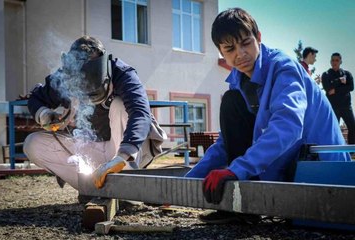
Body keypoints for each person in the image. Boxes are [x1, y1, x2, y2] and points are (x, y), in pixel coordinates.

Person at [185, 8, 350, 223]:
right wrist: (186, 183)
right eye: (230, 48)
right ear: (221, 52)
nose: (240, 54)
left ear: (259, 38)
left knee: (233, 104)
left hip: (317, 166)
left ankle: (246, 205)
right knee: (231, 103)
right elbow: (228, 141)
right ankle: (242, 209)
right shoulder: (239, 80)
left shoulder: (284, 69)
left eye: (246, 43)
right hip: (289, 159)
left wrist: (238, 169)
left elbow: (288, 126)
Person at [23, 36, 167, 194]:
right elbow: (36, 98)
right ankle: (92, 187)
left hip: (125, 150)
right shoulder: (65, 76)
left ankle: (127, 187)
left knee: (119, 105)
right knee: (33, 143)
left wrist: (122, 156)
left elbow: (140, 113)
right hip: (92, 149)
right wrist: (44, 114)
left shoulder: (123, 74)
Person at [322, 52, 355, 145]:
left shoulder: (347, 74)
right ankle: (335, 152)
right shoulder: (326, 74)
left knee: (353, 127)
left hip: (346, 107)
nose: (334, 62)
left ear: (341, 61)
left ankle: (352, 151)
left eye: (337, 60)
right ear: (330, 62)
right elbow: (327, 88)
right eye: (333, 60)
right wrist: (339, 80)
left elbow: (351, 87)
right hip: (333, 108)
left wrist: (335, 90)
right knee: (333, 129)